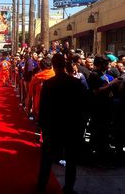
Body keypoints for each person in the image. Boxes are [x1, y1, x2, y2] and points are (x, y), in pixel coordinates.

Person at [37, 53, 84, 194]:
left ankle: (41, 185)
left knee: (47, 159)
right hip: (71, 126)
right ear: (64, 65)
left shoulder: (48, 84)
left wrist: (43, 128)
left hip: (53, 127)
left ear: (54, 66)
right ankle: (69, 188)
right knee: (71, 160)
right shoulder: (76, 83)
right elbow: (81, 106)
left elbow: (43, 108)